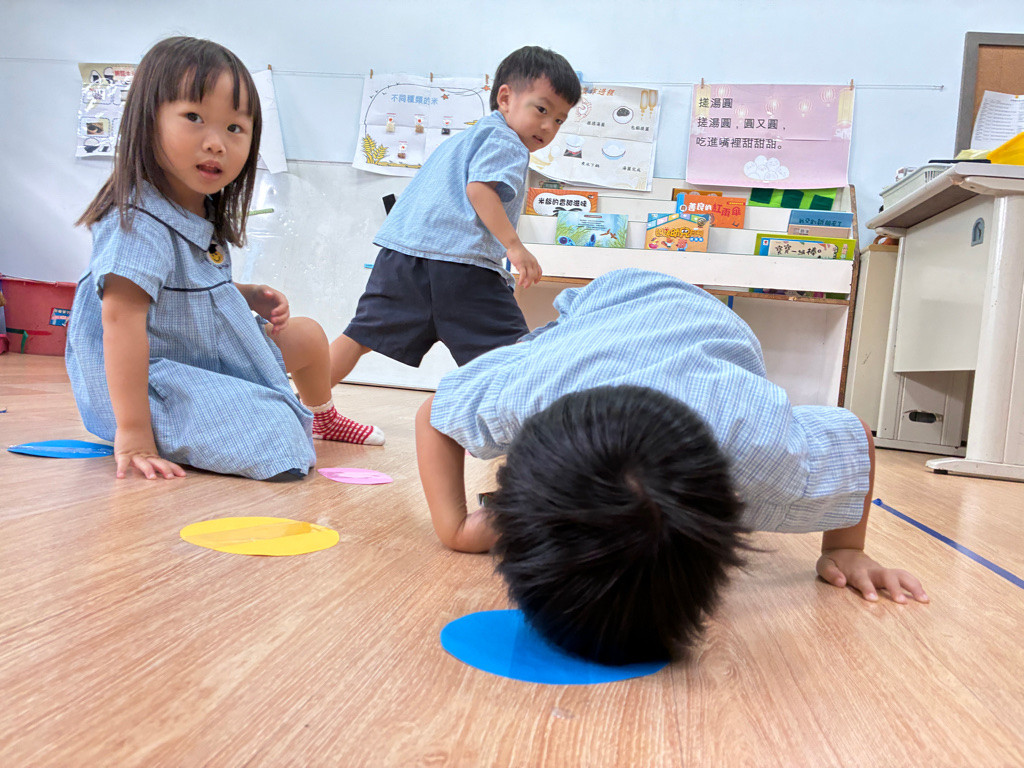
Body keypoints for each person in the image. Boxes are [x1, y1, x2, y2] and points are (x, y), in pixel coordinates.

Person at [415, 268, 929, 665]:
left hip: (708, 324)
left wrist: (845, 549)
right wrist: (453, 525)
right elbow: (434, 416)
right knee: (527, 354)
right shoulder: (523, 394)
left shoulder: (760, 449)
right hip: (600, 310)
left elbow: (854, 434)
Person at [66, 36, 383, 482]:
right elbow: (120, 325)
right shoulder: (138, 223)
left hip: (204, 354)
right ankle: (266, 418)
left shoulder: (200, 208)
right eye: (194, 118)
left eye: (235, 128)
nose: (216, 143)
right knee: (281, 442)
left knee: (308, 336)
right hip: (154, 380)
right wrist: (134, 434)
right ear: (147, 120)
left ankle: (323, 417)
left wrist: (244, 295)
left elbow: (176, 294)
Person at [328, 46, 581, 384]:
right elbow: (480, 190)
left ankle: (307, 403)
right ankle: (510, 416)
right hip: (463, 267)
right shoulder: (508, 142)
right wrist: (514, 246)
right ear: (505, 98)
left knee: (360, 336)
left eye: (559, 120)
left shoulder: (462, 140)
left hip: (402, 259)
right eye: (542, 109)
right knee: (511, 356)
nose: (549, 126)